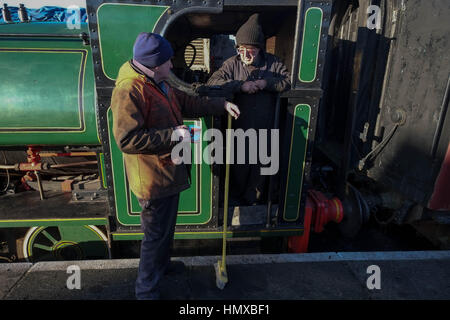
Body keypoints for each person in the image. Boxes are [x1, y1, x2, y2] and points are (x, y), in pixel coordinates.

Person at [111, 32, 240, 300]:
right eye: (168, 61)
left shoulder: (159, 80)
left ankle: (163, 265)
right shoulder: (129, 89)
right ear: (155, 63)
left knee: (165, 229)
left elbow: (187, 102)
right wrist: (173, 134)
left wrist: (222, 104)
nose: (173, 65)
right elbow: (127, 140)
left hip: (167, 171)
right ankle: (146, 291)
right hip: (152, 179)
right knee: (155, 236)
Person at [207, 13, 291, 205]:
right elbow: (213, 82)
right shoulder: (231, 64)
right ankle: (236, 203)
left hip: (266, 130)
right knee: (239, 167)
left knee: (261, 169)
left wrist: (265, 83)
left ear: (260, 49)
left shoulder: (274, 63)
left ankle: (255, 203)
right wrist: (239, 86)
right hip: (239, 129)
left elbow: (287, 82)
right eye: (242, 49)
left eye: (251, 50)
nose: (245, 55)